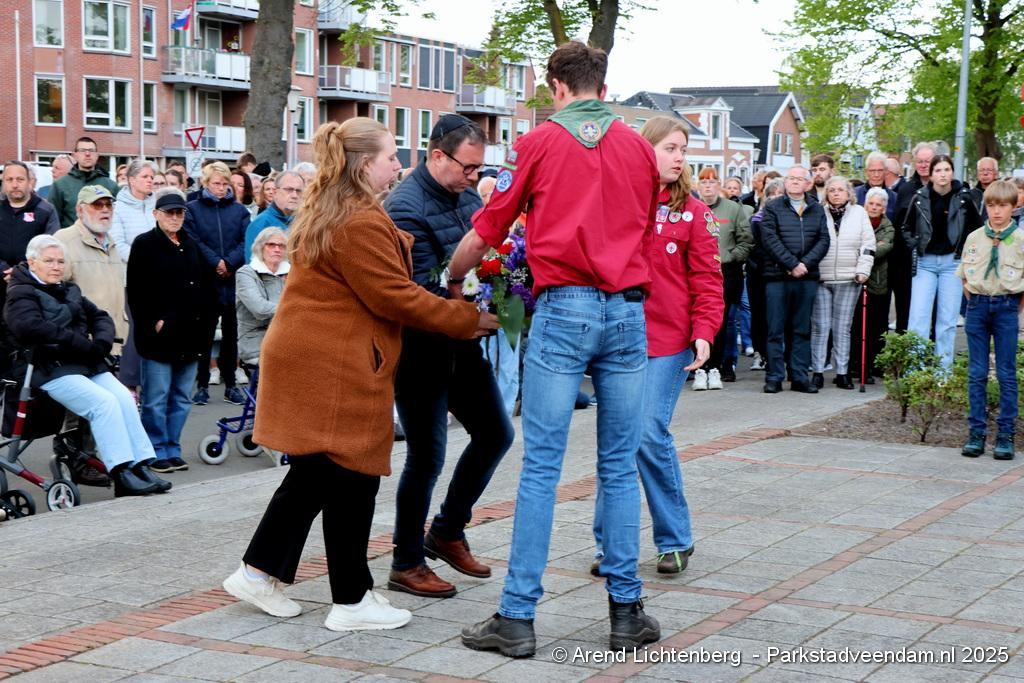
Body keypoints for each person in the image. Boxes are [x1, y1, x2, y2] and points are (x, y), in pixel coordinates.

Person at [222, 118, 496, 632]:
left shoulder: (342, 207)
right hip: (331, 361)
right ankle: (349, 601)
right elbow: (394, 294)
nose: (398, 164)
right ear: (364, 163)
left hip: (325, 355)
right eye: (390, 156)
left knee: (319, 476)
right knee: (350, 476)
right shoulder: (356, 218)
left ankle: (261, 574)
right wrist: (466, 318)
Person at [449, 41, 662, 657]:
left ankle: (518, 617)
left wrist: (454, 276)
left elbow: (490, 226)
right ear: (603, 85)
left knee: (542, 467)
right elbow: (645, 229)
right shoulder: (638, 148)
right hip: (627, 310)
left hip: (565, 308)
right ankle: (626, 612)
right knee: (618, 465)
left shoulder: (537, 143)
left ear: (556, 87)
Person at [382, 113, 514, 599]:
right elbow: (416, 290)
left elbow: (483, 255)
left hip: (462, 339)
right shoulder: (405, 207)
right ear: (437, 156)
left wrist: (505, 288)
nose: (474, 177)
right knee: (427, 455)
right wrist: (474, 310)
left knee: (496, 433)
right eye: (468, 167)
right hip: (420, 347)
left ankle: (447, 530)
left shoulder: (464, 196)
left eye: (479, 168)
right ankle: (406, 561)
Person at [591, 115, 722, 577]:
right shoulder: (616, 202)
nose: (680, 157)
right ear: (644, 150)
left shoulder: (694, 213)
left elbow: (708, 279)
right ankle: (611, 546)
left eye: (683, 149)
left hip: (667, 340)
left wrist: (704, 331)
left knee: (647, 431)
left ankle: (674, 538)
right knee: (616, 439)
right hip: (618, 338)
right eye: (670, 148)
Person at [4, 235, 169, 495]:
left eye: (61, 261)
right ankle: (121, 472)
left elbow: (100, 317)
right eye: (49, 261)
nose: (56, 266)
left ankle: (140, 465)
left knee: (124, 398)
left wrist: (102, 342)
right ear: (32, 262)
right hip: (46, 367)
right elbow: (29, 327)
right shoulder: (20, 292)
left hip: (82, 362)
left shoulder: (69, 289)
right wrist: (77, 342)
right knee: (104, 403)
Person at [127, 188, 212, 474]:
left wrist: (204, 322)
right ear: (156, 214)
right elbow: (136, 292)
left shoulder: (190, 244)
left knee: (181, 397)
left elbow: (204, 286)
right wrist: (154, 322)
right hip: (160, 337)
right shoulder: (144, 244)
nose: (175, 217)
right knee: (156, 397)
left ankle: (172, 447)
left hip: (190, 334)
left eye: (179, 213)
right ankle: (154, 449)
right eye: (170, 212)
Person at [958, 181, 1021, 460]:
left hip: (1007, 307)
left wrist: (1013, 307)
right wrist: (975, 299)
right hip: (978, 307)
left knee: (1006, 372)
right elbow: (964, 276)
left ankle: (1005, 434)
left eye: (1003, 206)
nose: (997, 212)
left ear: (1013, 207)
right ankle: (977, 432)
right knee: (977, 372)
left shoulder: (1020, 241)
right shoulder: (975, 238)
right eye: (992, 205)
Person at [902, 154, 982, 368]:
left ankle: (943, 374)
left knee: (947, 321)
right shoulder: (920, 197)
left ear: (952, 172)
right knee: (918, 319)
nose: (943, 174)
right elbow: (906, 228)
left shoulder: (964, 198)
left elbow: (977, 230)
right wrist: (915, 245)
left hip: (952, 264)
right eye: (938, 170)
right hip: (925, 264)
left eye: (947, 169)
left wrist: (965, 252)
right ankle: (915, 372)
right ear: (931, 174)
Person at [183, 161, 249, 406]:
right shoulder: (193, 209)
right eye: (216, 183)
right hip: (206, 280)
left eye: (224, 183)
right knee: (204, 335)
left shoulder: (239, 211)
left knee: (231, 335)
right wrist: (216, 263)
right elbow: (193, 240)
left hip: (232, 280)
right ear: (206, 183)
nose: (221, 188)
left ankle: (231, 384)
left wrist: (229, 263)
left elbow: (245, 240)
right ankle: (202, 384)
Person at [760, 166, 830, 394]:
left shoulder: (817, 209)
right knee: (775, 329)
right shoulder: (772, 207)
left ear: (808, 184)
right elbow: (769, 239)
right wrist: (792, 264)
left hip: (806, 277)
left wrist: (804, 265)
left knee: (801, 329)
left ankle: (799, 376)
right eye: (791, 178)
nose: (794, 182)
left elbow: (823, 240)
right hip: (777, 277)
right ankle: (774, 377)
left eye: (800, 179)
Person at [809, 176, 875, 390]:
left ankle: (842, 372)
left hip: (849, 278)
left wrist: (863, 270)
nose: (836, 193)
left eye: (840, 190)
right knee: (820, 327)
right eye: (832, 190)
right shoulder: (819, 212)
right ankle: (818, 371)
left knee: (842, 327)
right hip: (822, 277)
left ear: (849, 193)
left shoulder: (859, 213)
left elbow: (868, 244)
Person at [693, 167, 753, 389]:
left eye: (712, 182)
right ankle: (700, 367)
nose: (708, 186)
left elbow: (746, 240)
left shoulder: (732, 209)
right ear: (698, 186)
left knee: (726, 321)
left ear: (719, 185)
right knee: (699, 320)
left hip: (727, 273)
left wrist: (731, 257)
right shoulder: (692, 208)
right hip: (698, 273)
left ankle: (723, 366)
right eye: (704, 182)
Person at [54, 186, 128, 345]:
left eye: (108, 205)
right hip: (82, 340)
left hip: (113, 338)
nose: (105, 210)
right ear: (80, 210)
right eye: (97, 205)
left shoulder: (111, 243)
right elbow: (53, 292)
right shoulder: (64, 240)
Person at [849, 187, 894, 383]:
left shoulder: (888, 227)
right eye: (871, 204)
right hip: (854, 281)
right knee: (856, 326)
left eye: (878, 205)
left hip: (876, 283)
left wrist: (863, 249)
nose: (874, 207)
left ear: (884, 208)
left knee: (874, 328)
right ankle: (853, 365)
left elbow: (882, 249)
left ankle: (871, 366)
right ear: (864, 204)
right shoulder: (856, 221)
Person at [893, 142, 937, 332]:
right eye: (920, 161)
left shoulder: (944, 188)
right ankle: (905, 346)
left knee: (933, 309)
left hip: (935, 255)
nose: (923, 165)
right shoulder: (906, 189)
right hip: (908, 258)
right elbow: (899, 225)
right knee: (906, 306)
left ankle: (932, 347)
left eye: (928, 161)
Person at [236, 227, 289, 370]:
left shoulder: (292, 273)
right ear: (260, 248)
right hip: (256, 341)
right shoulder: (246, 273)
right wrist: (293, 309)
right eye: (271, 245)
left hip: (287, 337)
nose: (277, 249)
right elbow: (259, 309)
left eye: (281, 246)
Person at [747, 177, 786, 372]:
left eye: (780, 194)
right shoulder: (756, 220)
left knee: (778, 317)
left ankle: (777, 356)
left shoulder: (790, 220)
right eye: (772, 194)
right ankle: (760, 353)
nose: (775, 198)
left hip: (782, 273)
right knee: (759, 315)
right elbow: (751, 246)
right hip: (759, 273)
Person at [1, 161, 60, 278]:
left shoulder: (46, 210)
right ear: (3, 182)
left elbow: (51, 245)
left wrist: (22, 270)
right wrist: (3, 269)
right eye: (9, 180)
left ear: (29, 182)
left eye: (20, 179)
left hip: (33, 279)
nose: (15, 185)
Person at [49, 138, 120, 228]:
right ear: (75, 155)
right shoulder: (60, 186)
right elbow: (53, 221)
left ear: (97, 155)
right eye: (82, 150)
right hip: (72, 236)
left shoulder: (111, 186)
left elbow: (118, 218)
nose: (87, 154)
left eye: (91, 150)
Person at [244, 171, 304, 257]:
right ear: (275, 192)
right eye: (289, 190)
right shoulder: (260, 224)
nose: (294, 195)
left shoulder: (303, 223)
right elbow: (252, 262)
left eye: (298, 191)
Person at [110, 160, 157, 262]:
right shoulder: (117, 209)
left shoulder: (157, 206)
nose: (150, 180)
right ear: (132, 180)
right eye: (145, 176)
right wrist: (144, 260)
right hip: (131, 267)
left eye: (152, 177)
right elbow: (117, 244)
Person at [855, 152, 898, 221]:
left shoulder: (895, 198)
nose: (876, 175)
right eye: (872, 171)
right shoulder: (854, 195)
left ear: (885, 171)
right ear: (866, 172)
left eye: (880, 170)